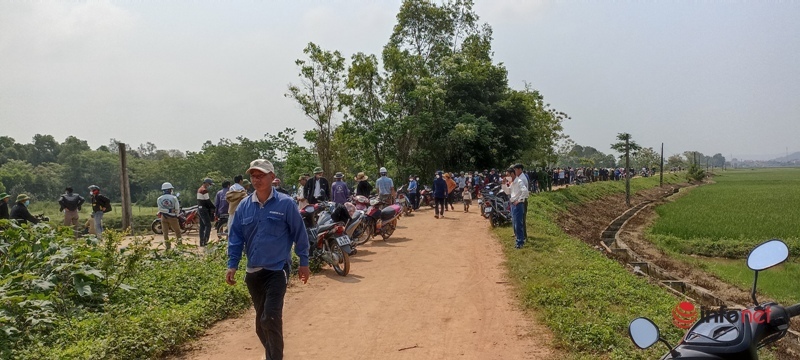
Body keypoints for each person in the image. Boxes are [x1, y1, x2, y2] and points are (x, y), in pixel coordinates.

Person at [226, 159, 310, 360]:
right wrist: (232, 265)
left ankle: (274, 357)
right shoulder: (244, 206)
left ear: (272, 177)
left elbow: (300, 233)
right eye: (253, 176)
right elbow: (236, 237)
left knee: (270, 317)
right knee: (260, 324)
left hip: (277, 269)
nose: (257, 179)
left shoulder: (286, 204)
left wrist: (304, 262)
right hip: (253, 273)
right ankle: (272, 351)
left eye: (261, 175)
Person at [507, 168, 529, 249]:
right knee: (515, 223)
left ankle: (520, 242)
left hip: (518, 205)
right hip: (513, 204)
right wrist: (503, 184)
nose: (507, 177)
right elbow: (508, 192)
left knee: (518, 224)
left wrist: (519, 200)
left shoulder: (519, 182)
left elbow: (525, 191)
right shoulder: (512, 183)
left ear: (512, 174)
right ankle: (518, 239)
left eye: (508, 175)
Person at [157, 182, 182, 249]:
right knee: (177, 231)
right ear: (169, 190)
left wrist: (166, 211)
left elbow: (160, 209)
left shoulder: (159, 199)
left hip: (163, 217)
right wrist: (174, 213)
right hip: (172, 217)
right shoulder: (174, 198)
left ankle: (168, 246)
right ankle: (179, 245)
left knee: (165, 233)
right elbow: (177, 208)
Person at [197, 178, 216, 247]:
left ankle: (201, 241)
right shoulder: (204, 190)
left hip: (200, 209)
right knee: (208, 225)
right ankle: (205, 241)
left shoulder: (199, 189)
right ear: (206, 183)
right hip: (204, 210)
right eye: (210, 184)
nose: (210, 186)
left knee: (202, 226)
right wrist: (214, 207)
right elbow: (208, 201)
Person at [513, 164, 530, 240]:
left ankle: (523, 236)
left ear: (520, 169)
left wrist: (519, 200)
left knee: (521, 219)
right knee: (517, 219)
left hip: (522, 201)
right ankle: (518, 234)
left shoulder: (522, 178)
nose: (515, 171)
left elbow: (524, 192)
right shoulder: (519, 177)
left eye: (516, 170)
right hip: (518, 200)